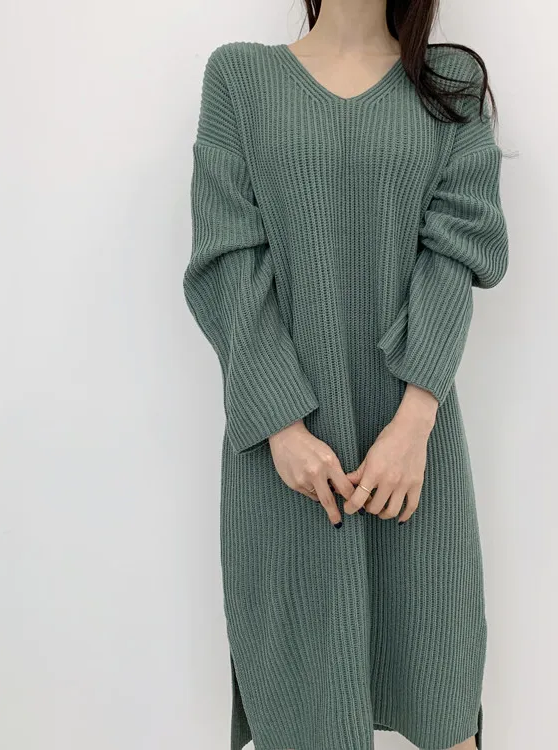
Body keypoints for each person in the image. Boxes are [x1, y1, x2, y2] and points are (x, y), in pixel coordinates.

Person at [183, 0, 509, 747]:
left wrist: (414, 421)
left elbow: (457, 250)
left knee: (445, 701)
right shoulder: (239, 79)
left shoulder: (449, 84)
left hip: (413, 453)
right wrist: (281, 426)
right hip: (287, 464)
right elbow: (226, 258)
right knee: (306, 717)